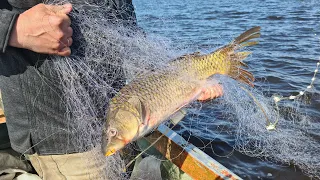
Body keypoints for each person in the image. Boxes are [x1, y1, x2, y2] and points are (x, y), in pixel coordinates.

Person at [0, 0, 222, 179]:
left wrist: (182, 84)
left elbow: (125, 34)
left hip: (120, 120)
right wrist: (14, 28)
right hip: (64, 136)